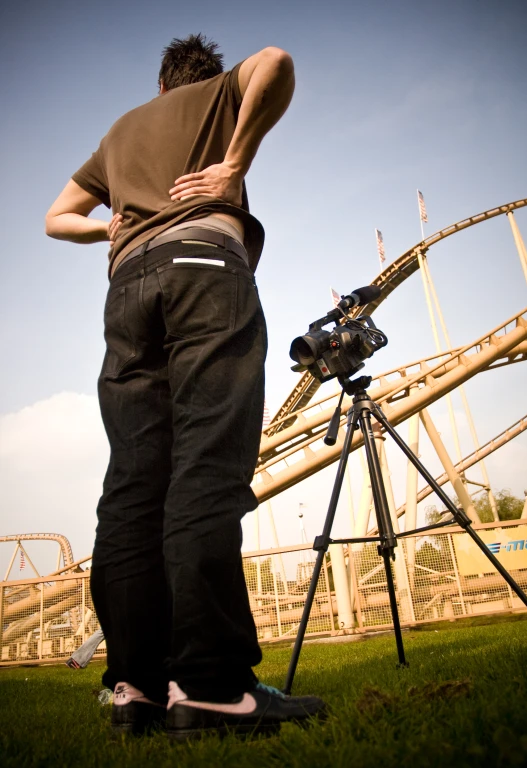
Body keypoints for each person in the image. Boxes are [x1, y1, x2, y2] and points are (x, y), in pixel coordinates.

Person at [46, 34, 326, 739]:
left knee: (135, 482)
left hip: (126, 287)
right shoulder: (222, 91)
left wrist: (103, 229)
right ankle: (211, 688)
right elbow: (277, 62)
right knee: (206, 466)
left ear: (161, 86)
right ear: (200, 82)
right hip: (204, 264)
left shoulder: (118, 132)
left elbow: (55, 218)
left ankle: (135, 687)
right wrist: (233, 164)